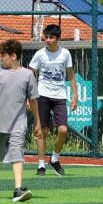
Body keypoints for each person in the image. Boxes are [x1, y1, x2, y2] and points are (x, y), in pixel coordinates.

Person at [0, 38, 39, 203]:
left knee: (17, 152)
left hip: (18, 123)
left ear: (13, 56)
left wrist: (38, 123)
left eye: (3, 56)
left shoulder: (28, 75)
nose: (1, 59)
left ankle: (18, 189)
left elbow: (33, 100)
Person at [30, 23, 77, 176]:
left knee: (63, 129)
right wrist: (28, 96)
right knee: (42, 131)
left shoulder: (65, 54)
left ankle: (55, 159)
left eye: (51, 37)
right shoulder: (39, 54)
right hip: (42, 95)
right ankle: (41, 164)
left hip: (60, 97)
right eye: (46, 37)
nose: (48, 40)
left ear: (58, 38)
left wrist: (75, 96)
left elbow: (70, 75)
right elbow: (30, 75)